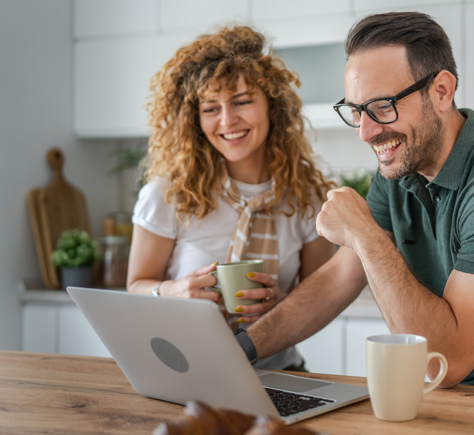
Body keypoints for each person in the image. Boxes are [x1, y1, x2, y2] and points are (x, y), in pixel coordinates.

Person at [244, 12, 474, 395]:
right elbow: (341, 278)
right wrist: (242, 349)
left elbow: (447, 360)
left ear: (441, 90)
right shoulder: (398, 171)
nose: (366, 131)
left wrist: (365, 233)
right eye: (356, 111)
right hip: (463, 395)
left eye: (382, 106)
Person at [126, 26, 335, 371]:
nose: (227, 121)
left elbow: (321, 298)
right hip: (185, 370)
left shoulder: (310, 200)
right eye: (210, 108)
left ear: (273, 105)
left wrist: (281, 307)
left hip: (279, 372)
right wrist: (174, 291)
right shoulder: (168, 195)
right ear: (194, 120)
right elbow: (135, 287)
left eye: (241, 102)